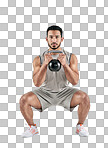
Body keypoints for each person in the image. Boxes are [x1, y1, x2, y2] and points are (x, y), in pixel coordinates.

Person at [19, 25, 90, 138]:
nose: (54, 40)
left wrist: (65, 65)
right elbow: (37, 83)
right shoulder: (39, 59)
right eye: (51, 37)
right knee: (24, 100)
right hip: (45, 93)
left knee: (85, 97)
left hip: (65, 92)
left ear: (61, 39)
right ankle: (32, 127)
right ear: (46, 39)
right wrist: (45, 64)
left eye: (57, 37)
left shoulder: (71, 57)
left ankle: (80, 126)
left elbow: (75, 81)